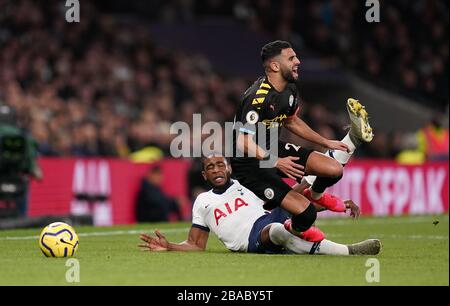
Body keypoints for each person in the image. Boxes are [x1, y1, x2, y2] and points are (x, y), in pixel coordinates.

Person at [230, 40, 373, 238]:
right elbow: (243, 142)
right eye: (291, 58)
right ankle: (288, 235)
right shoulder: (257, 98)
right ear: (275, 66)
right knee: (307, 215)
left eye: (296, 56)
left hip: (273, 149)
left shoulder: (290, 89)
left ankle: (313, 195)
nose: (298, 61)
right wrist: (276, 162)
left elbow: (291, 121)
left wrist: (325, 142)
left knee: (333, 170)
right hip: (250, 164)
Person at [139, 154, 381, 256]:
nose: (217, 169)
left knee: (299, 190)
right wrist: (170, 246)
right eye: (210, 167)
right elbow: (195, 244)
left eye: (220, 165)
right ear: (204, 175)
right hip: (253, 237)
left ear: (229, 168)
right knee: (276, 231)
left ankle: (344, 147)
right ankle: (347, 251)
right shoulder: (203, 201)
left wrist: (331, 204)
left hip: (270, 217)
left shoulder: (247, 184)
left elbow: (286, 201)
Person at [0, 104, 42, 217]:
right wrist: (33, 169)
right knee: (23, 186)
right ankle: (22, 219)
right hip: (17, 178)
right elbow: (31, 158)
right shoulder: (23, 135)